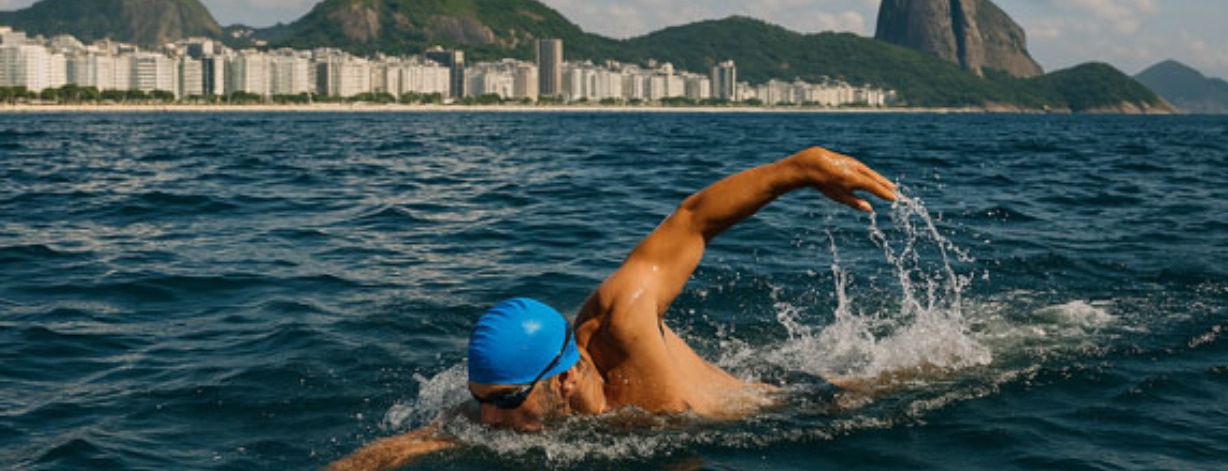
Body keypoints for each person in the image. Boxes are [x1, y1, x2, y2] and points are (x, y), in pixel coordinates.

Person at [326, 146, 898, 470]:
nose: (489, 421)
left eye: (503, 402)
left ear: (566, 376)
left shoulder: (623, 320)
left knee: (897, 384)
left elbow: (692, 222)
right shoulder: (496, 406)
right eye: (482, 401)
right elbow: (404, 447)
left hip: (795, 402)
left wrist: (796, 171)